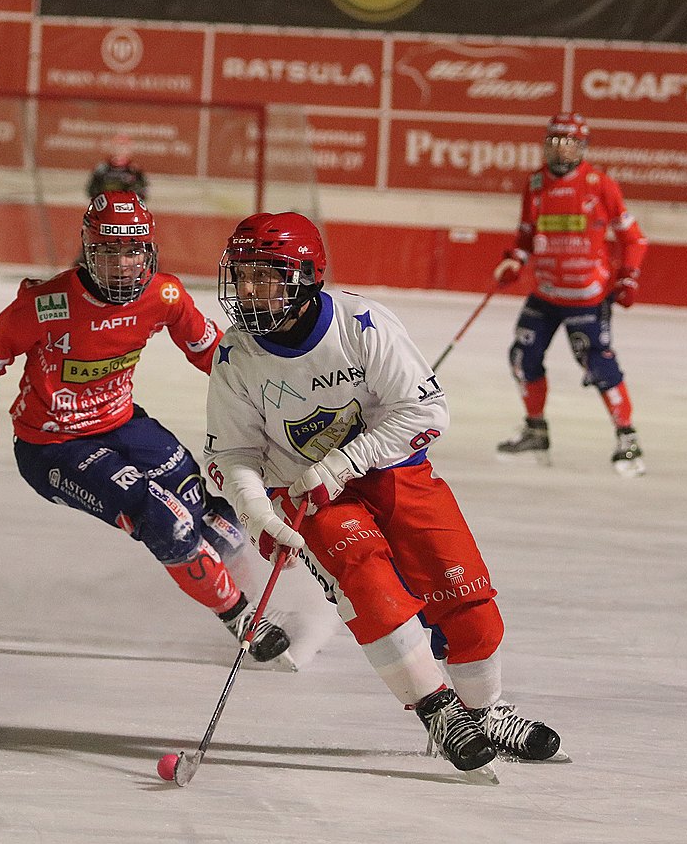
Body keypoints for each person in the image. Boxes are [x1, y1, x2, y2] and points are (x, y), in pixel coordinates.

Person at [203, 211, 562, 778]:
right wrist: (253, 506)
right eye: (242, 277)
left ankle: (484, 712)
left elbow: (426, 411)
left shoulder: (363, 324)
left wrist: (345, 460)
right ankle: (439, 711)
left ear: (305, 276)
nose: (249, 292)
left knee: (474, 612)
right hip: (310, 496)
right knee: (372, 589)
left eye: (265, 277)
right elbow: (232, 454)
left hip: (396, 473)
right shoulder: (235, 355)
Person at [0, 192, 295, 666]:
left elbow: (212, 353)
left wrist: (280, 405)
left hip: (122, 422)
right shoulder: (46, 304)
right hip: (53, 445)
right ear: (88, 252)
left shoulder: (164, 294)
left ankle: (262, 591)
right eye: (107, 252)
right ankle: (241, 619)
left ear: (148, 252)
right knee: (163, 518)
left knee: (206, 511)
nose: (121, 266)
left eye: (132, 251)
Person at [493, 111, 648, 477]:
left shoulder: (600, 185)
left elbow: (634, 238)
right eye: (554, 140)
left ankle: (627, 438)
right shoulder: (534, 185)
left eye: (568, 141)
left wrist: (628, 279)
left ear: (581, 146)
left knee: (599, 364)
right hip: (545, 293)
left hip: (586, 296)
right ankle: (536, 430)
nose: (560, 149)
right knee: (521, 357)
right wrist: (514, 261)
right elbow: (526, 236)